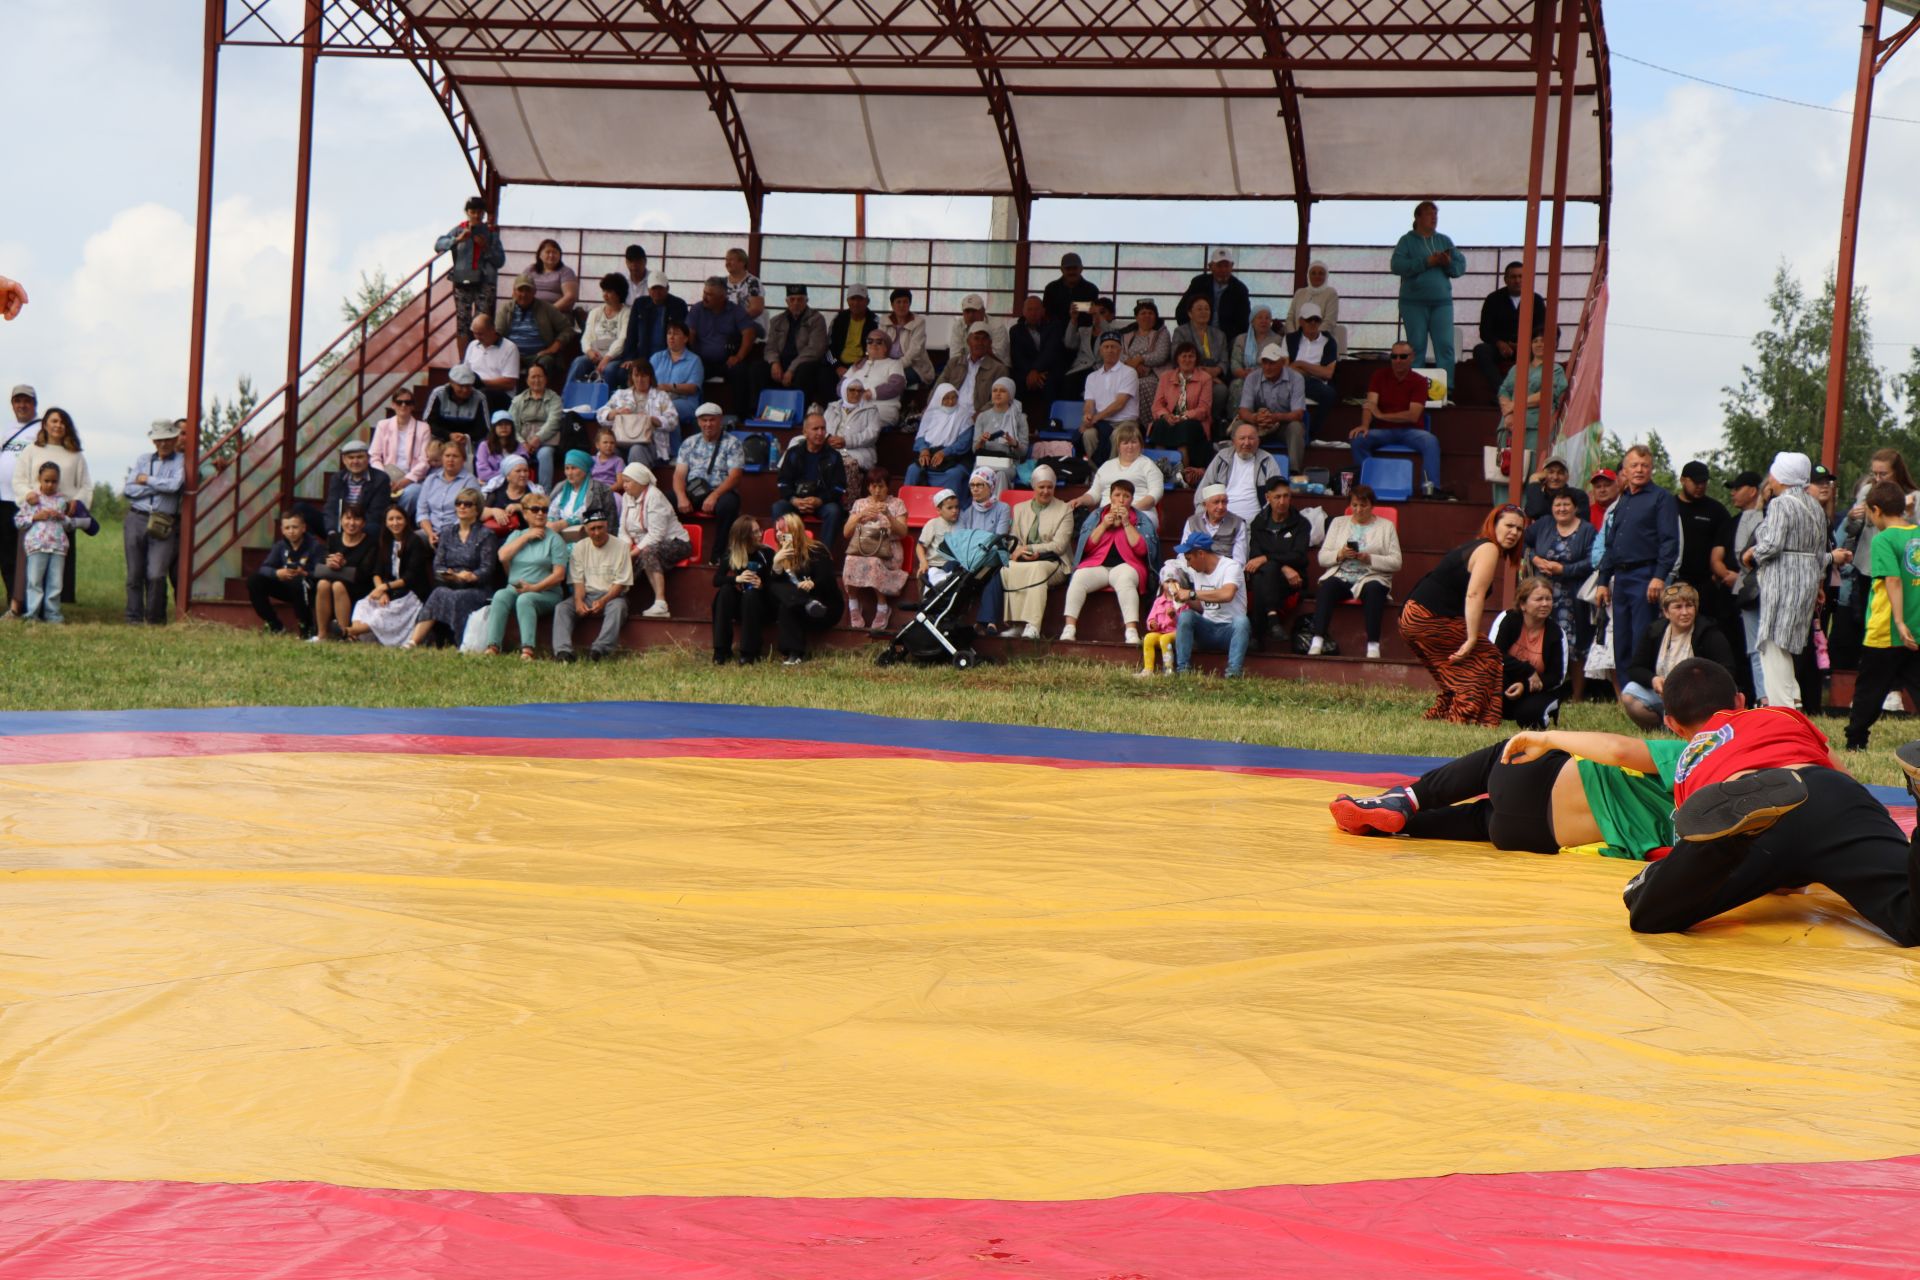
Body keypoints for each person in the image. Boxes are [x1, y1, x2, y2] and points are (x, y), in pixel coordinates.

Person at [1574, 657, 1920, 947]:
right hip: (1824, 789)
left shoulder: (1688, 759)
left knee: (1648, 913)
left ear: (1672, 725)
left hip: (1753, 827)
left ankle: (1727, 837)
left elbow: (1694, 860)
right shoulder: (1781, 716)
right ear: (1740, 701)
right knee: (1911, 917)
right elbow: (1843, 778)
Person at [1400, 505, 1527, 725]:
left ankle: (1443, 714)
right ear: (1493, 524)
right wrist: (1471, 638)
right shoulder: (1489, 549)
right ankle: (1464, 718)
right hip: (1427, 617)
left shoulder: (1478, 547)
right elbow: (1474, 594)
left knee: (1457, 670)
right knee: (1487, 657)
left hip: (1414, 616)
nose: (1514, 532)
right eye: (1509, 525)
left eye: (1519, 529)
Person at [1744, 452, 1830, 708]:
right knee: (1789, 640)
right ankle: (1792, 696)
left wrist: (1752, 554)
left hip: (1783, 578)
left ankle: (1782, 706)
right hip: (1806, 577)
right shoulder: (1814, 504)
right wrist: (1818, 582)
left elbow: (1772, 544)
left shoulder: (1781, 504)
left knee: (1773, 641)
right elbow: (1819, 550)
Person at [1843, 481, 1920, 750]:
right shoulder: (1918, 535)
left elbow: (1893, 581)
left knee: (1869, 690)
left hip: (1887, 631)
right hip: (1917, 628)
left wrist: (1898, 621)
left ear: (1876, 510)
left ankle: (1856, 738)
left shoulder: (1883, 539)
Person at [1593, 444, 1681, 680]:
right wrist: (1602, 581)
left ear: (1651, 469)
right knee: (1620, 638)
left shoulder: (1661, 498)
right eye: (1634, 465)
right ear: (1625, 470)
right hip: (1620, 577)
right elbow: (1611, 544)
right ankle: (1625, 694)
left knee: (1642, 636)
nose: (1640, 470)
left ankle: (1642, 691)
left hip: (1646, 574)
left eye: (1645, 465)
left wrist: (1659, 576)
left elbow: (1670, 542)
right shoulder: (1622, 500)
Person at [1618, 581, 1736, 730]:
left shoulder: (1709, 633)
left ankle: (1687, 727)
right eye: (1678, 607)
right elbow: (1635, 668)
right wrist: (1653, 679)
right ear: (1666, 612)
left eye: (1689, 606)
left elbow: (1728, 670)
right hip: (1664, 695)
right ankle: (1661, 727)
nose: (1685, 612)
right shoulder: (1654, 631)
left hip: (1698, 698)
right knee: (1629, 694)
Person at [1308, 483, 1401, 659]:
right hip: (1342, 573)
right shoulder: (1338, 523)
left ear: (1372, 506)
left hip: (1371, 575)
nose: (1358, 510)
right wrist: (1340, 554)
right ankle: (1317, 640)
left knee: (1374, 590)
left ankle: (1373, 645)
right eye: (1354, 505)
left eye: (1363, 505)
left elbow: (1396, 562)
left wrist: (1370, 558)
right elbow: (1322, 557)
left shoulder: (1386, 526)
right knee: (1326, 587)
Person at [10, 406, 87, 614]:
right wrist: (28, 494)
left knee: (57, 571)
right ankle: (27, 608)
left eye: (62, 422)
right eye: (54, 421)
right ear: (45, 424)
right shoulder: (32, 450)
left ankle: (53, 610)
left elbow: (85, 485)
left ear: (67, 427)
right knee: (30, 570)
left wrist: (77, 503)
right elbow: (18, 479)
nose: (58, 425)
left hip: (62, 518)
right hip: (35, 517)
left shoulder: (75, 455)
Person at [1350, 342, 1446, 500]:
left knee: (1431, 441)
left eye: (1403, 356)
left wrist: (1381, 416)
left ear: (1412, 358)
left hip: (1411, 430)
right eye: (1394, 356)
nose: (1398, 360)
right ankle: (1367, 486)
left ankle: (1430, 489)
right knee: (1358, 439)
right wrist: (1365, 425)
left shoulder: (1420, 381)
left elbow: (1412, 415)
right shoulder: (1379, 375)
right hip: (1383, 431)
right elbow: (1369, 405)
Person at [1389, 200, 1466, 395]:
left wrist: (1447, 263)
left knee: (1445, 346)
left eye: (1436, 214)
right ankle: (1415, 391)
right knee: (1416, 347)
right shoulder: (1406, 241)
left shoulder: (1444, 240)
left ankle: (1444, 391)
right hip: (1413, 303)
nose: (1434, 218)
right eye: (1429, 214)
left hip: (1442, 303)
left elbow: (1460, 268)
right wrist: (1427, 262)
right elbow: (1397, 266)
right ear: (1417, 217)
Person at [1062, 476, 1150, 645]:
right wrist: (1103, 526)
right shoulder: (1097, 516)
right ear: (1110, 497)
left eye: (1126, 496)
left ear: (1132, 499)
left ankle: (1131, 631)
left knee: (1125, 579)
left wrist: (1125, 523)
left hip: (1127, 565)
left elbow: (1141, 549)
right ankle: (1069, 628)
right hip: (1098, 566)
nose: (1121, 500)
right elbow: (1086, 548)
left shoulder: (1139, 519)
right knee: (1079, 577)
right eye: (1117, 495)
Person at [407, 488, 496, 648]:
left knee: (458, 597)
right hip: (450, 583)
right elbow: (438, 564)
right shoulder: (447, 532)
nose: (462, 507)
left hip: (477, 587)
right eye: (458, 503)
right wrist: (449, 574)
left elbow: (487, 568)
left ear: (477, 509)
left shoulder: (486, 534)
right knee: (438, 593)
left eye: (467, 504)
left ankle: (461, 642)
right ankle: (413, 642)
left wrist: (471, 576)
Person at [484, 493, 569, 660]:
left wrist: (534, 588)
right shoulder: (517, 535)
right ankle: (493, 646)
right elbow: (502, 556)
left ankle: (527, 649)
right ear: (524, 514)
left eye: (544, 510)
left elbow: (559, 575)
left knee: (526, 599)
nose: (540, 514)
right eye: (535, 509)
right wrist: (526, 537)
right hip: (516, 588)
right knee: (500, 596)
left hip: (546, 593)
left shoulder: (555, 540)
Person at [1525, 488, 1597, 684]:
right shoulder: (1544, 524)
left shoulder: (1587, 530)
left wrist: (1564, 570)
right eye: (1557, 504)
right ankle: (1543, 685)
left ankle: (1577, 694)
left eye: (1566, 504)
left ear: (1575, 508)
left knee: (1574, 645)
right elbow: (1522, 541)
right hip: (1544, 595)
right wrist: (1535, 559)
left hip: (1573, 597)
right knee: (1542, 639)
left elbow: (1593, 561)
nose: (1561, 508)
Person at [1160, 530, 1250, 676]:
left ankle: (1233, 672)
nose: (1188, 565)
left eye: (1189, 559)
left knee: (1241, 622)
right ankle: (1183, 670)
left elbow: (1227, 594)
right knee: (1186, 616)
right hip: (1207, 628)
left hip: (1230, 630)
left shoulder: (1231, 567)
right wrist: (1186, 600)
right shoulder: (1197, 571)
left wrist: (1191, 594)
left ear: (1201, 554)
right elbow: (1202, 606)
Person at [999, 465, 1073, 640]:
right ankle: (1016, 623)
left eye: (1050, 487)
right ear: (1034, 487)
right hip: (1025, 560)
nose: (1046, 491)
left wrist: (1031, 549)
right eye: (1042, 487)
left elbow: (1059, 546)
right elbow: (1014, 538)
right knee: (1007, 568)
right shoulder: (1019, 508)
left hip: (1055, 562)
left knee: (1037, 569)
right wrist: (1018, 552)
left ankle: (1033, 625)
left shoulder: (1065, 509)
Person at [123, 418, 185, 625]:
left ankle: (155, 618)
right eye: (159, 440)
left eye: (168, 439)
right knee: (134, 573)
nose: (164, 444)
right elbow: (129, 490)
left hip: (164, 521)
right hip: (137, 518)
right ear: (153, 441)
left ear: (175, 439)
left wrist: (147, 480)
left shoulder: (181, 461)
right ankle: (133, 617)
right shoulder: (143, 460)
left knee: (157, 574)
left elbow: (175, 485)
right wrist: (159, 486)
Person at [552, 508, 632, 662]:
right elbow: (578, 581)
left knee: (618, 607)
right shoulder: (580, 547)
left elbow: (620, 584)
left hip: (612, 596)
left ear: (607, 526)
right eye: (592, 529)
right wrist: (578, 602)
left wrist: (603, 601)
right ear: (586, 530)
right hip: (587, 595)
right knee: (562, 608)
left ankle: (599, 650)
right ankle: (563, 652)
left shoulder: (621, 547)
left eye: (600, 527)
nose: (597, 532)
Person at [347, 506, 434, 646]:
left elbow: (410, 577)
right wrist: (382, 591)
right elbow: (376, 572)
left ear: (406, 520)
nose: (395, 523)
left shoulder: (414, 541)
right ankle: (355, 634)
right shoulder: (385, 541)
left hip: (410, 593)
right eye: (391, 519)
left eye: (399, 518)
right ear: (386, 523)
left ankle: (349, 631)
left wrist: (385, 587)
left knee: (380, 615)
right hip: (389, 590)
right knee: (363, 604)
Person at [1490, 576, 1570, 728]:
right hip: (1505, 682)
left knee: (1529, 718)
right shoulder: (1507, 620)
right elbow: (1494, 654)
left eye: (1548, 599)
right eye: (1539, 599)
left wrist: (1525, 685)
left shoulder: (1556, 634)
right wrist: (1528, 670)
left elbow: (1556, 677)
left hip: (1536, 690)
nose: (1545, 604)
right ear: (1522, 604)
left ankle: (1547, 710)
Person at [614, 461, 688, 620]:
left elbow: (656, 535)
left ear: (640, 482)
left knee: (648, 552)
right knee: (618, 554)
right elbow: (623, 528)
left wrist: (633, 553)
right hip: (642, 542)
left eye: (628, 481)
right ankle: (617, 598)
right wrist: (626, 546)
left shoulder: (654, 496)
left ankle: (661, 603)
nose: (624, 485)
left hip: (676, 542)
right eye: (623, 481)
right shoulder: (627, 497)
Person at [1715, 469, 1766, 699]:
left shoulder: (1760, 515)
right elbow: (1740, 555)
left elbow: (1742, 554)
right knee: (1753, 648)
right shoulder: (1738, 519)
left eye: (1738, 488)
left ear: (1754, 491)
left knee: (1760, 648)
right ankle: (1760, 697)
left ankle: (1766, 697)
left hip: (1756, 585)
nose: (1733, 493)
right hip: (1750, 588)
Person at [768, 512, 842, 665]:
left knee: (789, 602)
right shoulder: (778, 555)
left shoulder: (816, 549)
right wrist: (776, 563)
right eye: (777, 531)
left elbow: (828, 580)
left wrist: (813, 583)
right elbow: (775, 587)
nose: (779, 534)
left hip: (823, 606)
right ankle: (794, 654)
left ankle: (794, 654)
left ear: (794, 530)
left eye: (783, 530)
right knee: (783, 595)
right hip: (801, 604)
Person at [674, 403, 745, 562]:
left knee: (729, 505)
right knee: (663, 501)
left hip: (720, 492)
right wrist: (681, 496)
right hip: (693, 491)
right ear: (698, 422)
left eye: (712, 420)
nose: (708, 424)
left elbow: (735, 476)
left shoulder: (732, 443)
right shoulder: (689, 442)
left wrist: (714, 495)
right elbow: (679, 474)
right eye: (704, 420)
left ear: (720, 420)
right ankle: (674, 549)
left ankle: (718, 557)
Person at [841, 469, 910, 632]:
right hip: (862, 547)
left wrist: (888, 515)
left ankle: (882, 608)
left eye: (881, 486)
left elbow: (903, 532)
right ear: (868, 487)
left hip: (889, 550)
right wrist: (860, 516)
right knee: (850, 559)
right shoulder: (859, 504)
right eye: (873, 486)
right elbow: (846, 532)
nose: (877, 491)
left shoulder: (897, 504)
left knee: (874, 561)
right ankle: (853, 605)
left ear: (888, 487)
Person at [1074, 423, 1164, 547]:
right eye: (1125, 443)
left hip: (1140, 512)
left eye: (1134, 442)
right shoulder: (1107, 466)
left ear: (1141, 445)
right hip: (1106, 513)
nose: (1130, 447)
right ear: (1118, 446)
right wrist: (1080, 500)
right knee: (1087, 527)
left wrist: (1130, 511)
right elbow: (1094, 494)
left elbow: (1155, 494)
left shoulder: (1149, 465)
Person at [1246, 477, 1312, 644]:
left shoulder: (1301, 524)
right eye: (1277, 497)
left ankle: (1256, 634)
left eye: (1286, 496)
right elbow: (1255, 555)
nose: (1282, 501)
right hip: (1271, 575)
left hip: (1293, 579)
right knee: (1264, 573)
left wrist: (1269, 558)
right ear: (1267, 497)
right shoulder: (1258, 523)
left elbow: (1299, 556)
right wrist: (1281, 566)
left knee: (1264, 574)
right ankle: (1272, 620)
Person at [773, 409, 849, 549]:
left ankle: (823, 554)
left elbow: (839, 487)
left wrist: (820, 500)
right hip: (797, 501)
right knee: (779, 507)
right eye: (815, 429)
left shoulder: (833, 456)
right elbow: (782, 482)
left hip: (822, 503)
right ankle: (786, 549)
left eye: (823, 429)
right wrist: (793, 500)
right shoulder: (793, 453)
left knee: (834, 511)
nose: (820, 433)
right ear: (805, 432)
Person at [436, 196, 506, 346]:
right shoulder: (458, 229)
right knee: (462, 324)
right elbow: (438, 244)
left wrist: (486, 247)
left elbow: (500, 261)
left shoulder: (490, 232)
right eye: (473, 212)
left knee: (482, 323)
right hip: (462, 280)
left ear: (484, 214)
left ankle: (481, 359)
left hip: (485, 282)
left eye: (479, 212)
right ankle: (464, 362)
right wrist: (457, 240)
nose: (476, 215)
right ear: (467, 212)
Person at [1472, 261, 1546, 398]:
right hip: (1500, 347)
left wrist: (1524, 345)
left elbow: (1542, 329)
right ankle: (1502, 392)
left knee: (1539, 351)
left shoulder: (1536, 300)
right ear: (1506, 279)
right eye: (1513, 277)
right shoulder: (1493, 299)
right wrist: (1499, 343)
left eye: (1521, 276)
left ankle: (1528, 394)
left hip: (1527, 347)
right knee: (1480, 350)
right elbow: (1485, 330)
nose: (1517, 281)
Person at [247, 510, 326, 637]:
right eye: (287, 528)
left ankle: (306, 626)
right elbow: (264, 568)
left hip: (309, 588)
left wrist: (304, 573)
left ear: (303, 528)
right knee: (254, 580)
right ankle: (274, 625)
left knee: (297, 580)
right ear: (282, 530)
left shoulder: (315, 546)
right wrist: (277, 573)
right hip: (287, 585)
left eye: (295, 527)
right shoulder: (280, 546)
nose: (291, 531)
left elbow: (321, 572)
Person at [310, 502, 379, 641]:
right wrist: (329, 562)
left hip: (359, 585)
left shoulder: (371, 542)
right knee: (323, 583)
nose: (351, 523)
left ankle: (344, 634)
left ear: (364, 523)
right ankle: (322, 635)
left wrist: (344, 564)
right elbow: (322, 562)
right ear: (341, 521)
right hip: (334, 580)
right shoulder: (333, 538)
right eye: (347, 518)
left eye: (356, 519)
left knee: (337, 585)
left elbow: (365, 573)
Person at [13, 462, 72, 623]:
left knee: (55, 583)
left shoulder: (61, 501)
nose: (50, 485)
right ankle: (33, 613)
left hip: (58, 547)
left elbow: (69, 524)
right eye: (46, 481)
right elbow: (19, 521)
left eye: (54, 481)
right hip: (37, 545)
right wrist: (34, 517)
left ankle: (53, 614)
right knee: (34, 581)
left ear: (58, 481)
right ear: (39, 479)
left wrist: (62, 517)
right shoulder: (32, 499)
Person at [688, 277, 758, 410]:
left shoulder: (736, 310)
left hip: (727, 360)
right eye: (704, 293)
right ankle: (694, 411)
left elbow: (749, 333)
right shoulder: (697, 309)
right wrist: (692, 356)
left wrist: (739, 357)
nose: (705, 297)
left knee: (741, 371)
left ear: (722, 297)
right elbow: (689, 333)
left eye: (709, 295)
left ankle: (740, 416)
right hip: (702, 360)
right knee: (689, 371)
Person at [494, 275, 575, 389]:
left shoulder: (546, 308)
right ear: (513, 291)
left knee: (546, 362)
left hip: (539, 355)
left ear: (534, 292)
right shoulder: (506, 309)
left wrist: (553, 348)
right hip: (513, 354)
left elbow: (567, 329)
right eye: (520, 290)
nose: (524, 294)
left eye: (528, 290)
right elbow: (498, 333)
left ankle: (541, 397)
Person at [1234, 342, 1307, 469]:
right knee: (1239, 426)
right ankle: (1241, 469)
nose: (1267, 367)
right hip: (1258, 425)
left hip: (1283, 426)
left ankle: (1294, 472)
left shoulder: (1296, 378)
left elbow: (1298, 414)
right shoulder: (1252, 377)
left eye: (1272, 363)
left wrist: (1276, 417)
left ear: (1283, 363)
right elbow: (1243, 410)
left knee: (1296, 427)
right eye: (1265, 363)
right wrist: (1255, 418)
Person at [1196, 421, 1285, 523]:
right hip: (1220, 522)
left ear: (1258, 441)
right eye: (1242, 438)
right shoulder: (1222, 458)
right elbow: (1202, 492)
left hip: (1255, 525)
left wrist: (1264, 523)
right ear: (1233, 442)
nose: (1246, 443)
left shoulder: (1267, 460)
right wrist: (1203, 519)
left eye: (1251, 438)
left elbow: (1277, 496)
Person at [956, 469, 1013, 628]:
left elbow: (999, 537)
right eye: (972, 485)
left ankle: (989, 622)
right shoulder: (967, 512)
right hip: (972, 557)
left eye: (980, 485)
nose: (975, 489)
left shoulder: (1003, 508)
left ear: (990, 486)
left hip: (992, 554)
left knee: (993, 573)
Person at [1147, 343, 1216, 472]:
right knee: (1160, 424)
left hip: (1194, 421)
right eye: (1183, 356)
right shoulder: (1165, 377)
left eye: (1191, 356)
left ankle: (1183, 473)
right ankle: (1158, 472)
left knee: (1184, 428)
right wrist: (1166, 415)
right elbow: (1157, 405)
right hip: (1169, 418)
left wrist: (1184, 416)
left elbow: (1204, 409)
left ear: (1196, 359)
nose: (1187, 360)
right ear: (1177, 359)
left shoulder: (1205, 378)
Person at [712, 517, 772, 664]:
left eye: (759, 530)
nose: (760, 534)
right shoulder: (733, 553)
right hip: (741, 604)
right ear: (744, 536)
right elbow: (716, 580)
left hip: (762, 604)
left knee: (751, 595)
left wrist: (762, 584)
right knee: (725, 590)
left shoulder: (767, 553)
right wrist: (736, 580)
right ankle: (721, 651)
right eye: (755, 532)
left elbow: (777, 583)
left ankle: (749, 652)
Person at [0, 384, 38, 612]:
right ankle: (13, 603)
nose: (22, 405)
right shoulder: (6, 431)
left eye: (27, 401)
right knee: (7, 556)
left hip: (27, 502)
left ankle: (32, 603)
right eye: (17, 401)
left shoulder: (41, 428)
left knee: (29, 556)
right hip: (3, 501)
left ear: (34, 404)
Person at [764, 284, 833, 409]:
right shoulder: (777, 320)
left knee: (804, 371)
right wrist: (774, 362)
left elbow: (815, 350)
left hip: (804, 363)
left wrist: (791, 369)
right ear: (787, 301)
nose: (796, 303)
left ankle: (798, 412)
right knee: (757, 369)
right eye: (792, 299)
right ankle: (756, 412)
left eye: (800, 299)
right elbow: (770, 347)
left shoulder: (816, 319)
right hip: (781, 362)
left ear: (807, 300)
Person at [612, 277, 690, 388]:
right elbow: (631, 335)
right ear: (648, 290)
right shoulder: (640, 304)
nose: (657, 292)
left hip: (667, 357)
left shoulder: (678, 305)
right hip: (643, 356)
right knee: (622, 373)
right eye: (653, 288)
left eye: (660, 288)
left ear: (667, 288)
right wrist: (629, 358)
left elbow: (681, 333)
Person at [597, 362, 678, 468]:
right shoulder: (620, 394)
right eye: (636, 375)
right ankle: (611, 484)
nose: (640, 380)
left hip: (650, 444)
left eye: (644, 376)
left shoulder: (661, 395)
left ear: (650, 377)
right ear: (631, 377)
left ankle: (638, 483)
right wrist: (616, 413)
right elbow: (600, 415)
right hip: (621, 440)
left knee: (636, 449)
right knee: (609, 449)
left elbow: (673, 420)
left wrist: (653, 420)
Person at [1497, 330, 1566, 451]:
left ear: (1554, 344)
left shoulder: (1556, 370)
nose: (1539, 344)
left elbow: (1546, 394)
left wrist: (1514, 405)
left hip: (1535, 428)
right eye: (1535, 341)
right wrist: (1508, 414)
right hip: (1509, 426)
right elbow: (1504, 391)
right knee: (1505, 466)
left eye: (1543, 341)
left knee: (1533, 467)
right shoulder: (1517, 368)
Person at [1169, 296, 1230, 423]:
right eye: (1199, 309)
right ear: (1190, 313)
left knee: (1221, 390)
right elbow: (1177, 357)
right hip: (1189, 376)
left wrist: (1217, 370)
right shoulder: (1181, 332)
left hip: (1214, 377)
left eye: (1207, 309)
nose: (1204, 312)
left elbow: (1224, 361)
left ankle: (1211, 421)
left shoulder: (1220, 334)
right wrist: (1204, 374)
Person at [371, 389, 433, 512]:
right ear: (393, 405)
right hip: (386, 477)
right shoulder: (383, 425)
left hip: (411, 480)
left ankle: (398, 521)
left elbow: (424, 461)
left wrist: (406, 481)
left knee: (413, 493)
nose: (403, 405)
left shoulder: (423, 428)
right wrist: (385, 479)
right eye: (399, 402)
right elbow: (375, 457)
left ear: (412, 406)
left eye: (407, 402)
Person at [1080, 330, 1138, 461]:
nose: (1110, 350)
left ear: (1120, 350)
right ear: (1101, 350)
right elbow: (1089, 403)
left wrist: (1095, 418)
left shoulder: (1129, 372)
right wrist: (1088, 416)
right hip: (1102, 422)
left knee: (1117, 436)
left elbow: (1119, 404)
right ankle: (1095, 473)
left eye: (1113, 347)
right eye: (1106, 347)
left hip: (1125, 423)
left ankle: (1112, 475)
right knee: (1088, 434)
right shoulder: (1092, 377)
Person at [1284, 304, 1339, 440]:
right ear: (1301, 321)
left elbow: (1327, 373)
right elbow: (1286, 367)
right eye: (1309, 319)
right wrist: (1313, 370)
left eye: (1317, 320)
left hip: (1316, 382)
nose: (1313, 323)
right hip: (1292, 379)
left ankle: (1311, 435)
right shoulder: (1290, 339)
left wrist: (1301, 364)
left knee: (1329, 394)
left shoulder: (1328, 342)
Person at [565, 274, 631, 385]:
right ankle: (565, 397)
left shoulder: (627, 313)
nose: (605, 295)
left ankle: (605, 400)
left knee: (608, 370)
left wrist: (607, 358)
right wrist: (589, 351)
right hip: (595, 354)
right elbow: (586, 336)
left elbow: (622, 339)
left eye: (609, 291)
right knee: (578, 362)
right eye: (604, 291)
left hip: (615, 357)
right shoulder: (595, 312)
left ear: (619, 293)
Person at [905, 384, 974, 491]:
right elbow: (920, 437)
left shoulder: (964, 415)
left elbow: (964, 443)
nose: (950, 402)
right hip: (930, 454)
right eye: (946, 398)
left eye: (954, 397)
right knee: (913, 470)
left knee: (954, 474)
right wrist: (924, 450)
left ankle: (951, 506)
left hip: (955, 457)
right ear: (939, 399)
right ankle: (910, 504)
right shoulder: (930, 414)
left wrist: (944, 452)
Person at [509, 363, 567, 490]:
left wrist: (537, 438)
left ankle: (544, 493)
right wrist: (522, 443)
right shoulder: (518, 400)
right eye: (533, 377)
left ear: (546, 379)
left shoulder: (554, 399)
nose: (536, 380)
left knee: (545, 454)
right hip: (522, 443)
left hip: (546, 442)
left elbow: (554, 422)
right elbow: (512, 424)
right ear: (527, 380)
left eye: (540, 376)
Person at [825, 376, 883, 497]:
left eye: (859, 391)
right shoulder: (832, 407)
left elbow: (872, 435)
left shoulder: (871, 410)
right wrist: (828, 438)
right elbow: (822, 427)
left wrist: (846, 441)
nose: (856, 393)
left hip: (859, 452)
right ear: (844, 390)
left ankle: (848, 504)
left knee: (845, 464)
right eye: (852, 390)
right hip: (831, 448)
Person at [414, 440, 478, 547]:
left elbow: (470, 513)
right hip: (430, 531)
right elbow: (422, 511)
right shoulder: (431, 479)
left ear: (463, 460)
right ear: (442, 458)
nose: (450, 459)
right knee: (408, 542)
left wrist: (446, 535)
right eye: (447, 455)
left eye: (455, 456)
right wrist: (430, 533)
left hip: (457, 532)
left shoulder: (469, 481)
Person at [939, 322, 1012, 416]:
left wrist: (980, 415)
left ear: (990, 343)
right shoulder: (954, 363)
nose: (980, 343)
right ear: (968, 341)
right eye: (976, 338)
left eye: (984, 339)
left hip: (975, 417)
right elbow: (938, 388)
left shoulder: (999, 369)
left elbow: (999, 399)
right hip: (949, 411)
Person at [971, 377, 1029, 494]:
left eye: (1002, 391)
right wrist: (981, 442)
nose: (997, 393)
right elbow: (974, 449)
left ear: (1010, 395)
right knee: (980, 473)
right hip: (984, 461)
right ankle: (981, 509)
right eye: (994, 390)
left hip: (1007, 462)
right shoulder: (982, 417)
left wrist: (1014, 444)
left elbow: (1023, 452)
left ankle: (1000, 510)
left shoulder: (1019, 418)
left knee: (1001, 474)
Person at [1177, 247, 1251, 340]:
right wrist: (1191, 331)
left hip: (1227, 340)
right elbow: (1181, 312)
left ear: (1232, 266)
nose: (1223, 270)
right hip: (1196, 334)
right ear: (1210, 266)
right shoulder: (1199, 283)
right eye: (1219, 266)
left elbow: (1243, 323)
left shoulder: (1240, 289)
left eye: (1226, 266)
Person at [839, 329, 907, 428]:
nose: (873, 344)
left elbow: (896, 385)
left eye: (879, 342)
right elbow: (840, 386)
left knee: (854, 424)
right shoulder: (857, 364)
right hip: (852, 408)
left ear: (886, 348)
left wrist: (871, 393)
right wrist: (851, 394)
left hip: (879, 409)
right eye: (870, 341)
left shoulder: (894, 364)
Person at [323, 438, 393, 535]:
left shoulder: (381, 479)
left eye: (360, 457)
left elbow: (376, 513)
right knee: (302, 509)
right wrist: (332, 531)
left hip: (363, 527)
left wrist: (352, 528)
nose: (355, 461)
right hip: (341, 525)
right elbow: (331, 507)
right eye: (351, 458)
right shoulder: (337, 478)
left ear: (368, 458)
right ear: (344, 460)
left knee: (374, 527)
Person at [1009, 294, 1061, 420]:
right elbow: (1017, 356)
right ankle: (1014, 422)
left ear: (1043, 311)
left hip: (1046, 370)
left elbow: (1050, 352)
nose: (1033, 313)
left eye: (1036, 309)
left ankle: (1051, 423)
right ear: (1023, 312)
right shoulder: (1015, 330)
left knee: (1052, 384)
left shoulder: (1053, 327)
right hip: (1025, 371)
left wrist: (1036, 370)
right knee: (1015, 385)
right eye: (1029, 309)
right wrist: (1030, 372)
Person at [1118, 299, 1172, 421]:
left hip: (1154, 374)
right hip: (1129, 372)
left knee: (1142, 384)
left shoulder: (1162, 332)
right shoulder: (1126, 334)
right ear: (1136, 317)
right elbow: (1119, 354)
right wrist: (1133, 365)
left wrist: (1140, 359)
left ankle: (1148, 424)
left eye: (1150, 313)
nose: (1147, 316)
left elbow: (1161, 355)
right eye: (1143, 313)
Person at [545, 449, 614, 542]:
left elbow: (588, 511)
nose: (569, 473)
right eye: (567, 468)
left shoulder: (599, 489)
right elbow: (553, 510)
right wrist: (551, 522)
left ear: (584, 470)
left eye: (573, 468)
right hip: (560, 536)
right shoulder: (561, 488)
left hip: (589, 538)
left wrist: (563, 523)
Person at [1059, 296, 1119, 402]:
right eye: (1094, 313)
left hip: (1100, 369)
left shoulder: (1113, 332)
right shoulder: (1084, 331)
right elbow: (1069, 343)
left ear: (1111, 316)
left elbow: (1109, 335)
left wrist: (1097, 314)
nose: (1096, 316)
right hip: (1081, 368)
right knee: (1068, 381)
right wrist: (1073, 319)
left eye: (1102, 312)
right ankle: (1069, 415)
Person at [648, 320, 704, 426]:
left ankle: (671, 442)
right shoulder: (657, 357)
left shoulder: (694, 360)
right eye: (669, 333)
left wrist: (668, 387)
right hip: (657, 399)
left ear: (686, 339)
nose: (671, 337)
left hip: (685, 402)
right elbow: (646, 380)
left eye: (676, 334)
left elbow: (693, 388)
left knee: (668, 408)